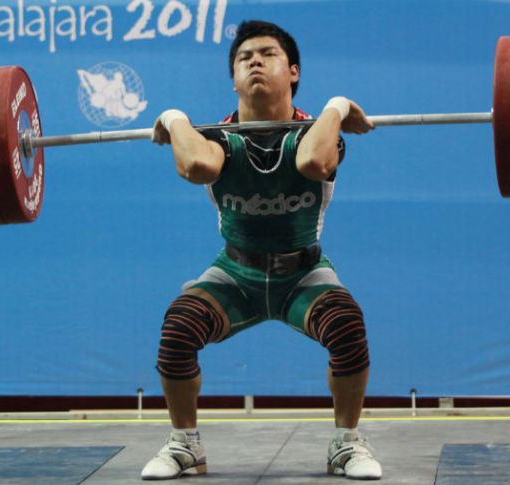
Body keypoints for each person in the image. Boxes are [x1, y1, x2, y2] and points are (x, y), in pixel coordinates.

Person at [142, 20, 380, 481]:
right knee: (179, 329)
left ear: (293, 71)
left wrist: (335, 105)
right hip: (235, 274)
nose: (253, 59)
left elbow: (312, 162)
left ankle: (346, 443)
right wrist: (173, 117)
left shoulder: (318, 134)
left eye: (267, 54)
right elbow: (194, 165)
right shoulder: (215, 139)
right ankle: (185, 445)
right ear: (233, 78)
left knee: (346, 324)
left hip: (303, 274)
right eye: (243, 56)